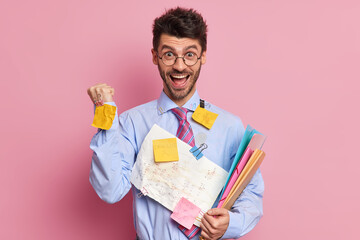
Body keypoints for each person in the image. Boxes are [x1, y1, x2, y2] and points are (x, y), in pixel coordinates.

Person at [87, 7, 264, 240]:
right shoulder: (130, 123)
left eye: (190, 54)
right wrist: (105, 116)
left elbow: (250, 193)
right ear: (155, 56)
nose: (180, 66)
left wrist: (231, 223)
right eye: (169, 54)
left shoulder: (229, 126)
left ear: (203, 56)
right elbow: (110, 191)